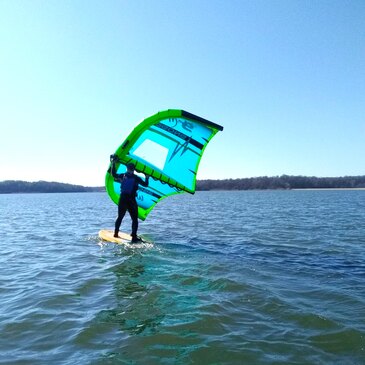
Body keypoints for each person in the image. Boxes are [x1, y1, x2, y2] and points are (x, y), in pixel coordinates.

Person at [110, 155, 149, 243]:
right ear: (134, 169)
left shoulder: (122, 175)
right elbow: (146, 185)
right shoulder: (136, 178)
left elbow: (113, 174)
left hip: (123, 199)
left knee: (120, 217)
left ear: (127, 168)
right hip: (131, 200)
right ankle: (134, 236)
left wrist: (113, 163)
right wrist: (146, 177)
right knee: (134, 219)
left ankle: (116, 233)